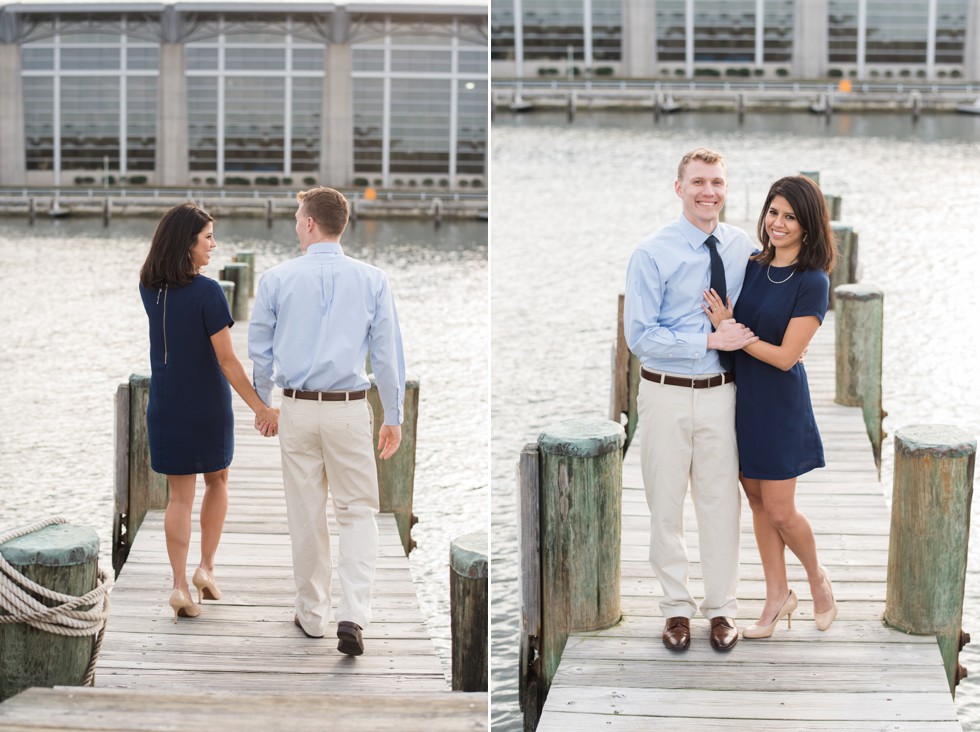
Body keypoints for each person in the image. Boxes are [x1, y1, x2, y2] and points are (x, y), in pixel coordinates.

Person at [248, 186, 406, 657]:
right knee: (358, 512)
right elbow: (388, 355)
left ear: (312, 223)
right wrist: (393, 415)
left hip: (296, 407)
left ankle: (313, 616)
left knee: (306, 513)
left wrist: (264, 404)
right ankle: (354, 614)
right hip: (349, 408)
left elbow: (259, 349)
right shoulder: (373, 279)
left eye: (299, 217)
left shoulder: (276, 279)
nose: (296, 224)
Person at [624, 148, 758, 653]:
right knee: (665, 504)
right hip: (665, 394)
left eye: (717, 182)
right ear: (678, 188)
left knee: (722, 504)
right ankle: (676, 608)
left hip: (723, 395)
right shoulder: (651, 253)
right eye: (699, 181)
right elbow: (640, 336)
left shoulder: (741, 246)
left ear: (727, 189)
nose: (709, 191)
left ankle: (722, 608)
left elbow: (761, 302)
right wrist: (708, 341)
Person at [702, 175, 838, 638]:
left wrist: (733, 330)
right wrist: (729, 329)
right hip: (743, 398)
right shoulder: (755, 265)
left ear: (808, 225)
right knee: (757, 502)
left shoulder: (813, 282)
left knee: (781, 510)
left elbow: (784, 357)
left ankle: (817, 580)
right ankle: (777, 595)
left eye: (790, 217)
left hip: (780, 404)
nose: (778, 223)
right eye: (773, 212)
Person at [138, 203, 279, 623]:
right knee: (217, 481)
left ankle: (179, 585)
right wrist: (262, 408)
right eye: (208, 238)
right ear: (187, 243)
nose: (214, 245)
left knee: (178, 498)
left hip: (165, 404)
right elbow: (228, 362)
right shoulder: (208, 292)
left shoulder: (148, 286)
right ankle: (206, 568)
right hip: (206, 406)